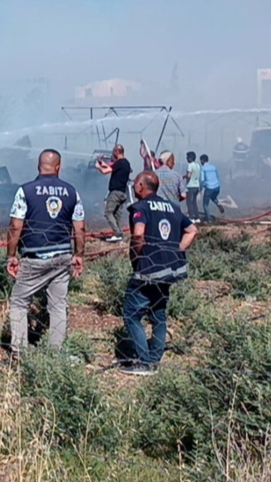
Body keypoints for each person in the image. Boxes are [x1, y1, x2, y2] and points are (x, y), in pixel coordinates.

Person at [5, 149, 85, 359]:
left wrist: (11, 255)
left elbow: (15, 225)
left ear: (38, 166)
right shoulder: (71, 192)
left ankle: (19, 352)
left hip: (34, 258)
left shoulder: (26, 190)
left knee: (20, 302)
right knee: (58, 306)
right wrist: (79, 254)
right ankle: (55, 354)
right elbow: (80, 228)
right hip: (62, 256)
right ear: (58, 167)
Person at [120, 171, 198, 375]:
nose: (135, 187)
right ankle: (155, 358)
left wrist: (137, 257)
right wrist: (177, 250)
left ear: (141, 187)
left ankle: (144, 363)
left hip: (148, 269)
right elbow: (192, 230)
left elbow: (138, 233)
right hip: (170, 269)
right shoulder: (173, 207)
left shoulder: (140, 207)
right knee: (158, 314)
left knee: (131, 314)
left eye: (136, 183)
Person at [95, 144, 131, 243]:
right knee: (116, 215)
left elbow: (105, 171)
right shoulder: (126, 163)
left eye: (113, 152)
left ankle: (117, 233)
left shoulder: (120, 162)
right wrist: (101, 162)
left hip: (115, 193)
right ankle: (119, 235)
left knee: (108, 213)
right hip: (122, 193)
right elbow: (110, 166)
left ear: (116, 152)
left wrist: (98, 167)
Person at [199, 154, 225, 221]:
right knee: (213, 197)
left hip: (210, 187)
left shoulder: (203, 168)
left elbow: (202, 180)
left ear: (202, 161)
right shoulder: (213, 167)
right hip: (217, 187)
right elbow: (217, 177)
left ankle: (208, 219)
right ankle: (218, 204)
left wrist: (201, 187)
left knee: (205, 204)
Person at [184, 151, 201, 220]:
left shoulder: (190, 165)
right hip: (197, 186)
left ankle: (191, 217)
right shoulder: (198, 165)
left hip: (190, 186)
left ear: (190, 158)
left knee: (189, 202)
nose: (186, 159)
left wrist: (184, 177)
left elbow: (189, 176)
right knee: (194, 202)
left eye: (187, 157)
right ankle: (197, 217)